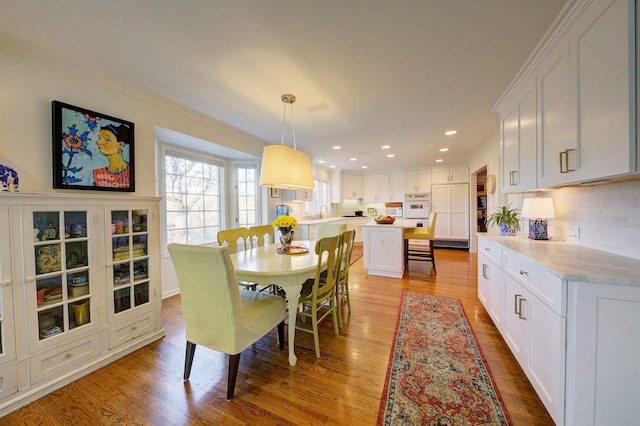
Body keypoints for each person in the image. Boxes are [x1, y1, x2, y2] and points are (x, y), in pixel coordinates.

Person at [93, 123, 131, 188]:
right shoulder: (97, 174)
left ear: (121, 145)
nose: (98, 142)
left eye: (107, 139)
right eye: (99, 138)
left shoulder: (131, 173)